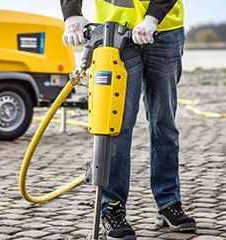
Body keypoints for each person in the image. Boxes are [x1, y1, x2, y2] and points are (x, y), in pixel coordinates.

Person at [60, 0, 197, 239]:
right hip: (114, 32)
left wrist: (153, 17)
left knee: (163, 124)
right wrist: (71, 14)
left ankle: (168, 203)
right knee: (115, 126)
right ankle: (111, 208)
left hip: (164, 31)